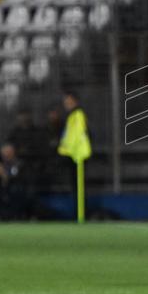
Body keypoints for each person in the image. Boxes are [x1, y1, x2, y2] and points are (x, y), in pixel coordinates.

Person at [58, 91, 92, 220]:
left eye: (69, 101)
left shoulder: (77, 114)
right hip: (74, 154)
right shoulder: (73, 115)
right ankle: (80, 214)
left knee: (79, 186)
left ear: (75, 101)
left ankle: (82, 215)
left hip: (78, 155)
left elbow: (75, 136)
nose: (66, 104)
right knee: (77, 186)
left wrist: (64, 149)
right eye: (65, 101)